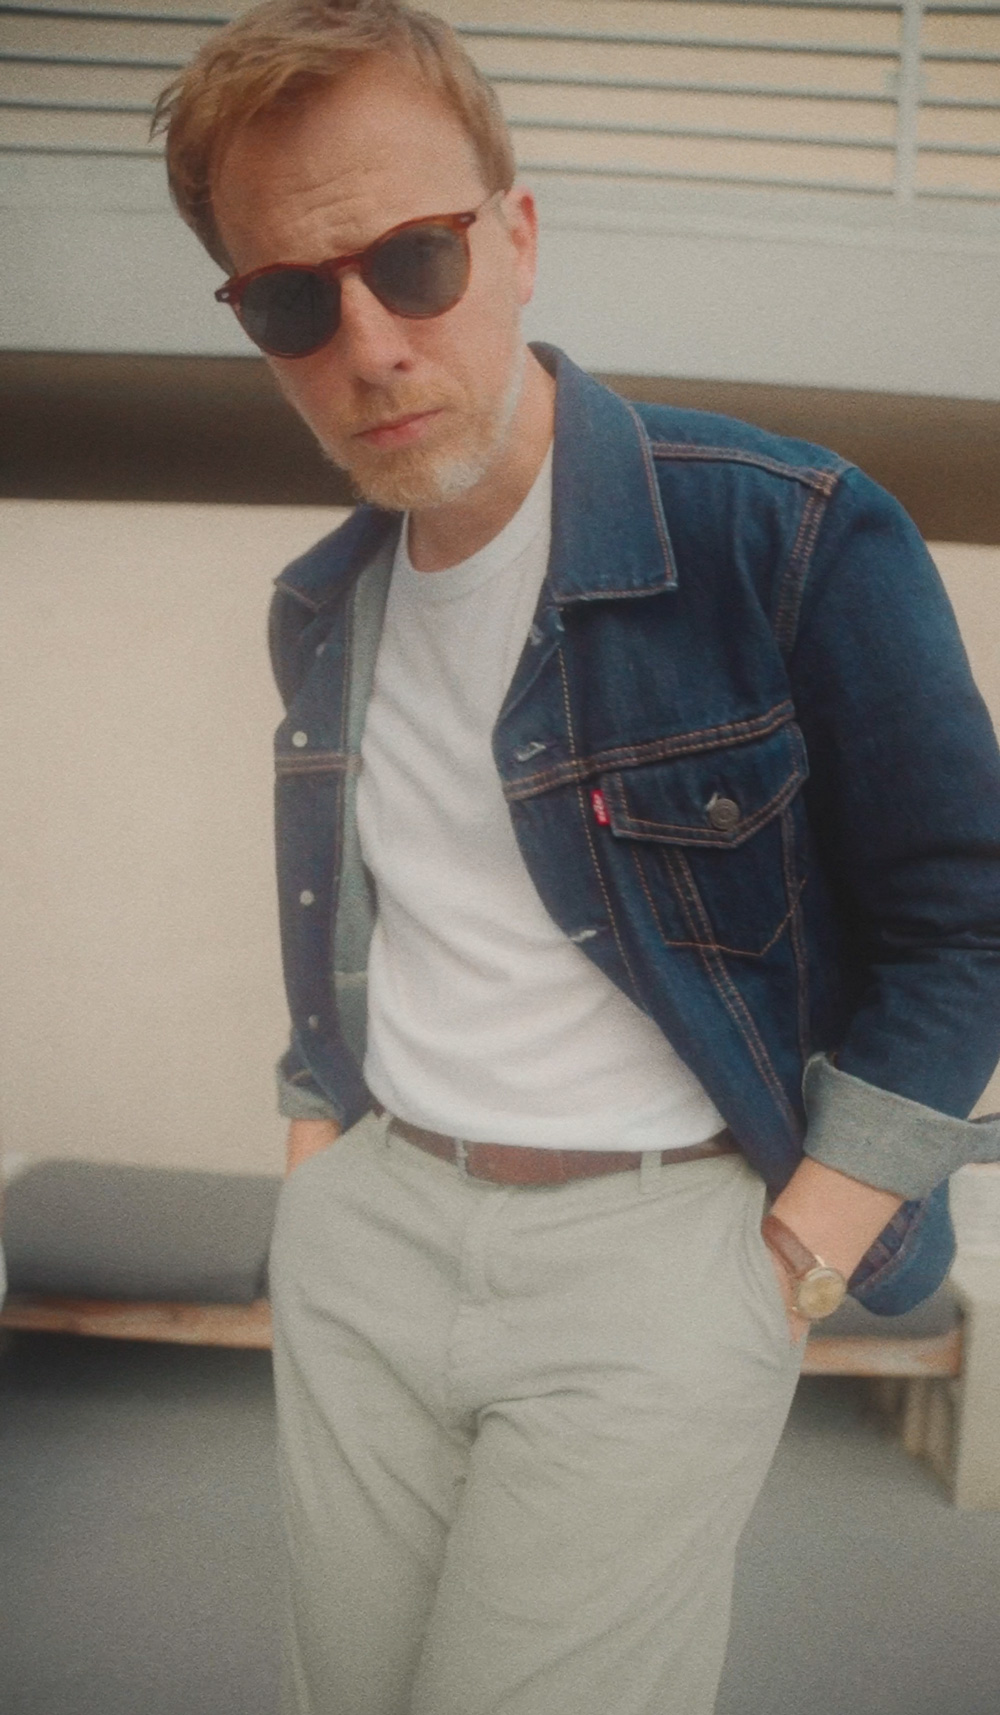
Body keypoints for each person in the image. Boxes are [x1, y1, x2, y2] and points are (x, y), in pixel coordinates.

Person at [155, 3, 1000, 1710]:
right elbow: (377, 912)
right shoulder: (324, 605)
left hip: (663, 1251)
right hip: (375, 1239)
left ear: (519, 238)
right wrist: (322, 1164)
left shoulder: (785, 531)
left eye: (414, 258)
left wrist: (799, 1250)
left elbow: (970, 920)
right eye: (295, 299)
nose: (372, 344)